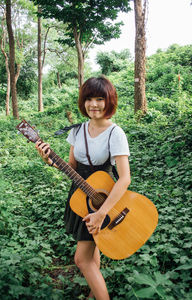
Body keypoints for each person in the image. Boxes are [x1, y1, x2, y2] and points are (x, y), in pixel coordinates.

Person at [35, 76, 131, 300]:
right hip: (80, 196)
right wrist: (50, 160)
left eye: (100, 98)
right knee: (92, 247)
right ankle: (93, 292)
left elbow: (124, 179)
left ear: (109, 101)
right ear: (83, 101)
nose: (94, 104)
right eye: (89, 99)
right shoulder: (77, 131)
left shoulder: (115, 133)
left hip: (103, 198)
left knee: (81, 259)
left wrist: (101, 213)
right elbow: (72, 167)